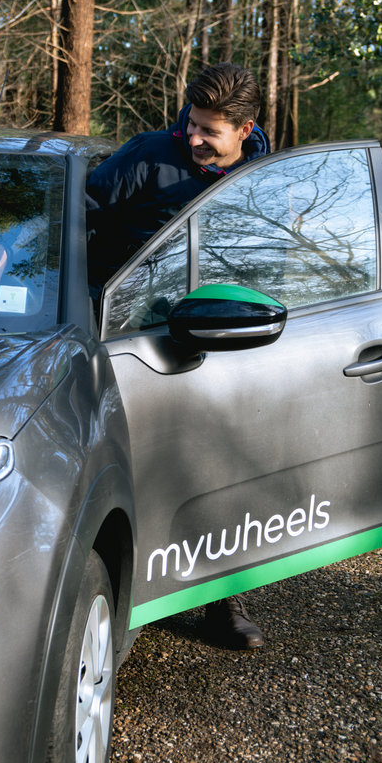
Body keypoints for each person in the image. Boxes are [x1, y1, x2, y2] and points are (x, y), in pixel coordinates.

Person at [86, 62, 270, 649]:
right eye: (191, 123)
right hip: (132, 333)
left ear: (245, 130)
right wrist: (10, 250)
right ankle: (122, 588)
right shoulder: (147, 155)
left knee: (218, 464)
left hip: (219, 334)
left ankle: (221, 600)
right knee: (133, 460)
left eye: (210, 131)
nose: (193, 137)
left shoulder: (264, 172)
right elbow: (78, 212)